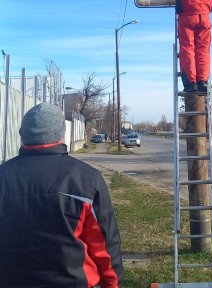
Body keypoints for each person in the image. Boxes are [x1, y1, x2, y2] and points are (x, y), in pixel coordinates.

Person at [0, 102, 123, 288]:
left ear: (22, 134)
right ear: (61, 134)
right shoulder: (86, 179)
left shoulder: (3, 176)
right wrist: (112, 283)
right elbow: (103, 245)